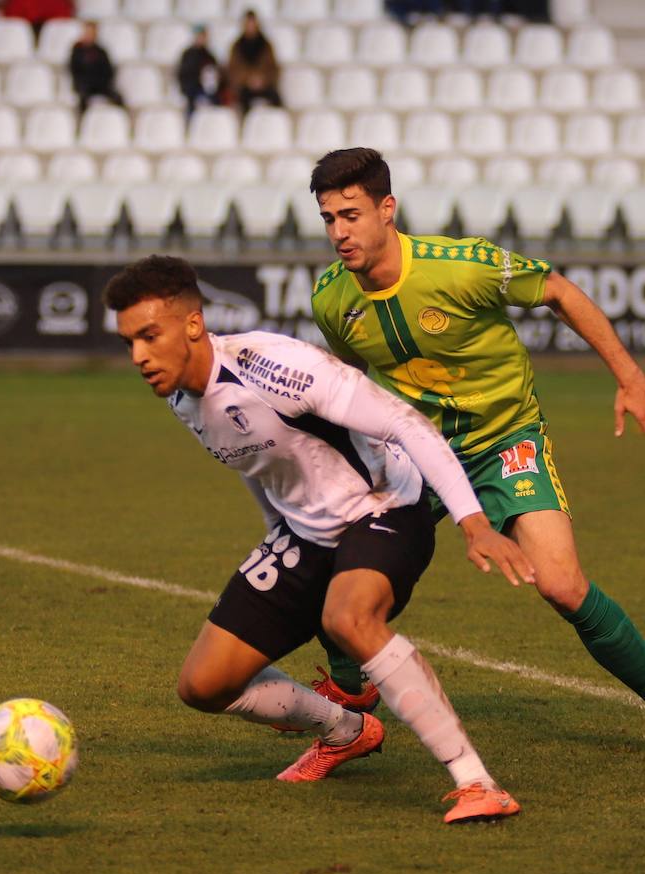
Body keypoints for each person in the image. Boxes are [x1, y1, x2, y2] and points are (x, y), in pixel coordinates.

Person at [305, 147, 645, 761]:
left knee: (561, 585)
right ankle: (350, 700)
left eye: (351, 214)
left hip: (506, 440)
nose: (339, 232)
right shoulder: (332, 299)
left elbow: (558, 291)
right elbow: (345, 384)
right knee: (338, 560)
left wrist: (631, 377)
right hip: (415, 457)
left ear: (387, 209)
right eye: (328, 219)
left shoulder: (462, 266)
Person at [104, 254, 538, 825]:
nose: (138, 356)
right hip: (306, 535)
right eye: (129, 341)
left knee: (348, 619)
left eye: (149, 336)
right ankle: (346, 731)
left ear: (192, 324)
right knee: (203, 685)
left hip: (384, 507)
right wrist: (279, 546)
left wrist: (472, 522)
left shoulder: (275, 367)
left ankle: (476, 781)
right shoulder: (181, 397)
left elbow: (407, 423)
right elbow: (258, 466)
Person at [225, 9, 280, 113]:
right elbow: (232, 70)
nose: (250, 26)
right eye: (248, 23)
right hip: (244, 87)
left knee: (276, 99)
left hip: (264, 85)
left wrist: (262, 80)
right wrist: (248, 80)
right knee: (240, 100)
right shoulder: (237, 47)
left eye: (252, 22)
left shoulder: (266, 45)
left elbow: (273, 69)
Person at [67, 20, 122, 115]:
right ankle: (82, 121)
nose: (89, 35)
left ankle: (119, 119)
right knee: (82, 98)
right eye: (87, 32)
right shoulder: (77, 50)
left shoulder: (101, 51)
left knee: (118, 97)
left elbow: (108, 71)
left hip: (100, 84)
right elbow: (74, 70)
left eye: (92, 32)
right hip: (84, 84)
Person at [176, 25, 220, 119]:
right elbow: (183, 75)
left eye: (203, 36)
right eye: (199, 36)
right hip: (190, 89)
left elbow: (214, 76)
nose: (201, 39)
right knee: (191, 102)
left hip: (206, 90)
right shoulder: (187, 55)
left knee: (214, 100)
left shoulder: (210, 56)